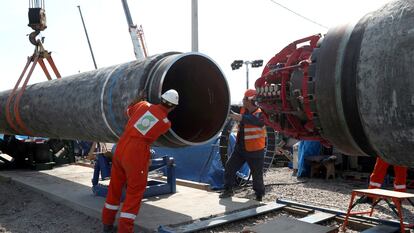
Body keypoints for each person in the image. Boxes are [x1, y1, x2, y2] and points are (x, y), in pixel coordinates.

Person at [101, 89, 179, 233]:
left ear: (160, 98)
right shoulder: (165, 123)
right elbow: (154, 126)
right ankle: (124, 230)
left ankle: (107, 225)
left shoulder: (142, 105)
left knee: (115, 187)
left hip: (121, 146)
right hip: (136, 153)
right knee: (134, 192)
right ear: (173, 107)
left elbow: (129, 111)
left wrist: (136, 100)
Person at [219, 89, 266, 201]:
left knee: (257, 175)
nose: (243, 100)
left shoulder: (260, 114)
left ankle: (259, 195)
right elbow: (230, 108)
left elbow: (249, 120)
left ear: (252, 101)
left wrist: (237, 116)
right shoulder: (242, 109)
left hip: (255, 150)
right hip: (240, 149)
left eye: (245, 99)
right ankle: (228, 189)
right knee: (230, 168)